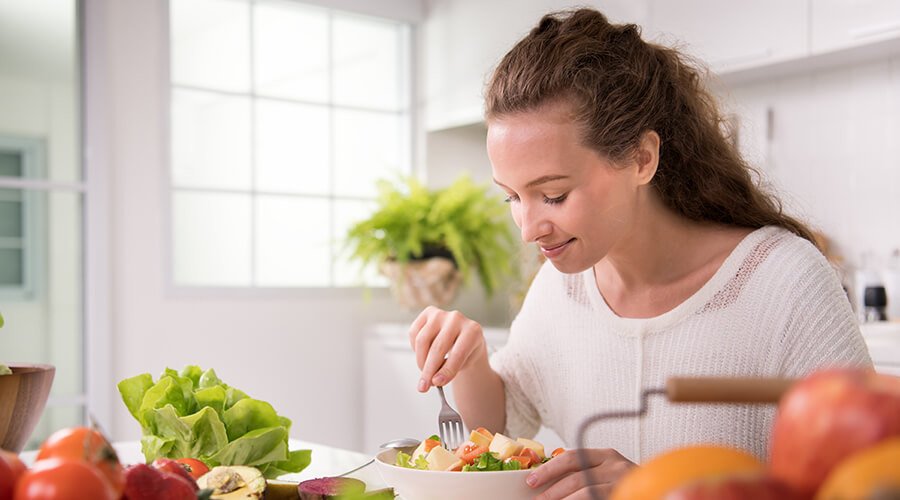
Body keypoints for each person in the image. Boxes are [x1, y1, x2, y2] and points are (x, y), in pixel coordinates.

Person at [407, 7, 872, 499]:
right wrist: (473, 360)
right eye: (512, 197)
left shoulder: (785, 281)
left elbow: (867, 485)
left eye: (555, 195)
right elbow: (495, 425)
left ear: (641, 159)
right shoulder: (561, 289)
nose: (528, 229)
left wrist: (653, 489)